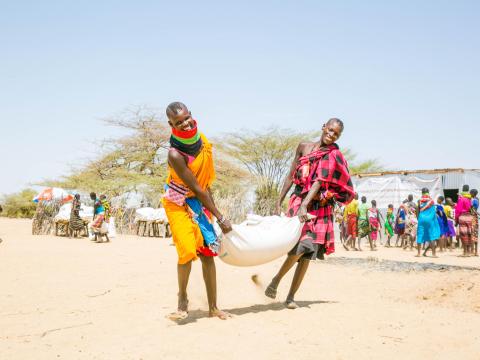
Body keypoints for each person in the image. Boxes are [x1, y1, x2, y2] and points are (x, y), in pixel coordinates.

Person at [265, 118, 354, 309]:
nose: (331, 135)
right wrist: (278, 201)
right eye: (330, 130)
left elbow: (320, 181)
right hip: (298, 201)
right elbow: (291, 175)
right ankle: (276, 280)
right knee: (300, 246)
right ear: (323, 127)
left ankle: (290, 296)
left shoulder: (333, 155)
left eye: (336, 134)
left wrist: (306, 204)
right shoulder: (303, 147)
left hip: (318, 206)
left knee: (307, 251)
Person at [162, 102, 232, 321]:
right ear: (170, 124)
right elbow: (196, 187)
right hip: (178, 202)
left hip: (200, 201)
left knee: (207, 251)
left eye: (186, 118)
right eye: (178, 122)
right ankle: (182, 302)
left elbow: (205, 184)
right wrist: (220, 216)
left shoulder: (202, 140)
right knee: (186, 250)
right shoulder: (175, 154)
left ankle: (213, 307)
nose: (185, 124)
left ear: (191, 115)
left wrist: (211, 211)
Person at [416, 188, 440, 258]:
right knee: (431, 236)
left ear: (422, 193)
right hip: (429, 220)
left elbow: (417, 211)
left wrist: (418, 219)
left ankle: (418, 253)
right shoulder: (431, 201)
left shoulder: (419, 201)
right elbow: (434, 212)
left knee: (420, 235)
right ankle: (433, 254)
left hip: (421, 219)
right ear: (428, 192)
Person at [455, 185, 474, 256]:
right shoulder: (470, 199)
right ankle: (469, 252)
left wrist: (456, 220)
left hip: (463, 217)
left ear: (462, 190)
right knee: (469, 234)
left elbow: (458, 210)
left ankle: (465, 252)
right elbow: (471, 209)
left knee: (463, 234)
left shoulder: (461, 199)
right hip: (469, 217)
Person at [470, 189, 479, 256]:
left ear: (473, 193)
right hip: (475, 217)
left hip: (472, 217)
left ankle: (472, 250)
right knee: (475, 233)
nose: (469, 194)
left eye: (470, 193)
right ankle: (475, 251)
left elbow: (472, 208)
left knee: (472, 233)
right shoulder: (477, 199)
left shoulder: (473, 200)